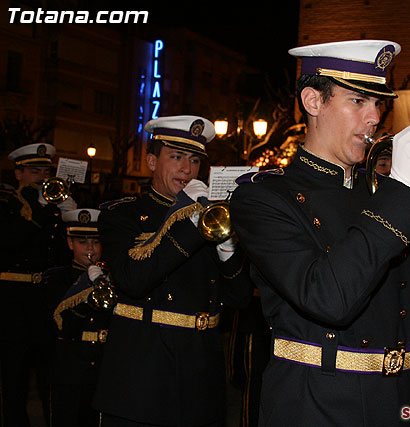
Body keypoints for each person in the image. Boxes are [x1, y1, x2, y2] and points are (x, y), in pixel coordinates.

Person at [230, 40, 410, 425]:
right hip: (317, 403)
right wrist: (401, 195)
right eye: (358, 101)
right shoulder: (263, 196)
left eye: (378, 104)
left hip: (399, 398)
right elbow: (328, 299)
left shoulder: (384, 195)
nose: (375, 117)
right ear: (312, 101)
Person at [93, 116, 251, 426]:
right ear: (151, 161)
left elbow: (241, 298)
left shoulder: (213, 216)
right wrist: (190, 224)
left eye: (194, 160)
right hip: (143, 371)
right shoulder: (123, 215)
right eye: (176, 157)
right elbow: (133, 280)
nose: (187, 169)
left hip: (201, 369)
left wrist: (228, 247)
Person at [0, 143, 76, 426]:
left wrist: (70, 215)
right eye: (35, 171)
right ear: (18, 173)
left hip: (46, 301)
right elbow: (9, 242)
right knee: (14, 381)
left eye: (46, 171)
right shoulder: (7, 203)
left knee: (50, 378)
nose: (43, 178)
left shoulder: (54, 209)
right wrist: (41, 210)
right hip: (13, 303)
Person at [46, 208, 109, 427]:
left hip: (105, 361)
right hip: (72, 363)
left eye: (95, 242)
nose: (90, 248)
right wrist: (87, 296)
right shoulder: (58, 278)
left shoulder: (112, 277)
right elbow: (61, 326)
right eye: (82, 242)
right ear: (70, 244)